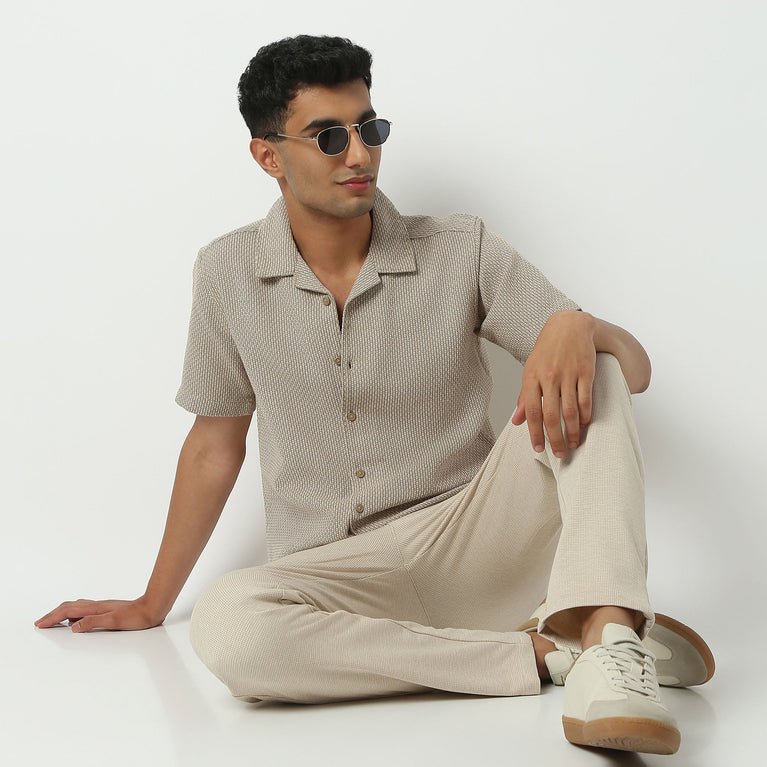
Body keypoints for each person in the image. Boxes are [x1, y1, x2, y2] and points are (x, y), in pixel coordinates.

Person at [35, 34, 714, 755]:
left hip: (469, 539)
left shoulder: (460, 247)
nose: (359, 154)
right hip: (338, 578)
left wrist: (576, 325)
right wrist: (152, 602)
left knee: (591, 364)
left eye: (369, 128)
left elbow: (631, 372)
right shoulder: (226, 272)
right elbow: (213, 444)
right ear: (268, 156)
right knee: (228, 621)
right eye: (329, 137)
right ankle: (550, 653)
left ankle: (609, 638)